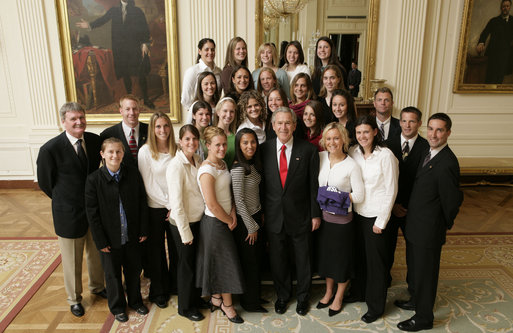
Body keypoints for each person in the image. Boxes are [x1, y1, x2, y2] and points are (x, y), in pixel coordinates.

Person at [37, 102, 106, 317]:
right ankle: (74, 298)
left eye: (82, 117)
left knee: (96, 253)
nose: (79, 122)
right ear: (63, 122)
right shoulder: (50, 149)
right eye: (74, 119)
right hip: (68, 213)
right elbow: (46, 183)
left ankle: (97, 286)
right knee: (72, 260)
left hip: (93, 210)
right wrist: (65, 201)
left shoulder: (95, 142)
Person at [396, 113, 463, 332]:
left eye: (439, 130)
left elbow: (452, 201)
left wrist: (440, 225)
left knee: (426, 274)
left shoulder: (447, 163)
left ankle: (424, 318)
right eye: (431, 129)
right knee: (416, 269)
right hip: (416, 224)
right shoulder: (428, 151)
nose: (433, 134)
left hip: (429, 229)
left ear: (448, 133)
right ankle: (416, 301)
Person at [261, 107, 321, 316]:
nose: (284, 127)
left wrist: (315, 214)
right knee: (278, 259)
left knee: (303, 259)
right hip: (274, 216)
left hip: (302, 215)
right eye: (280, 123)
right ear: (273, 126)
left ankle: (303, 297)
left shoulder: (308, 151)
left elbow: (314, 185)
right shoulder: (264, 149)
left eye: (288, 123)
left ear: (295, 126)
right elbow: (262, 186)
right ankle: (283, 295)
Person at [85, 137, 149, 323]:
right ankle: (118, 307)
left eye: (118, 151)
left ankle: (136, 301)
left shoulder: (133, 174)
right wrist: (101, 241)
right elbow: (92, 215)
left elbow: (142, 203)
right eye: (110, 152)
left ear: (123, 153)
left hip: (131, 236)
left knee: (133, 271)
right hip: (109, 240)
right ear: (102, 154)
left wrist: (143, 229)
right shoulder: (93, 180)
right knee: (112, 275)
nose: (115, 155)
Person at [349, 115, 398, 324]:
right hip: (357, 214)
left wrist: (382, 221)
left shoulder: (385, 155)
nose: (362, 136)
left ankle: (376, 306)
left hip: (376, 217)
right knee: (359, 259)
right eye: (359, 132)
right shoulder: (353, 152)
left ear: (375, 132)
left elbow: (391, 190)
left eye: (366, 132)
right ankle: (359, 292)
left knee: (376, 265)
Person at [196, 126, 245, 324]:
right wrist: (229, 220)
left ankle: (216, 298)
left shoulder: (223, 164)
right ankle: (228, 305)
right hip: (215, 224)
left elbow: (227, 195)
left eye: (224, 144)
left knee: (220, 262)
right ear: (207, 146)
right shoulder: (206, 170)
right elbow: (212, 204)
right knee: (226, 264)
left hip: (226, 219)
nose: (222, 148)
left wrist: (233, 211)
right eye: (217, 145)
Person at [316, 122, 364, 316]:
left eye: (336, 138)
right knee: (328, 260)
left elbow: (359, 195)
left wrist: (335, 197)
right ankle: (328, 292)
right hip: (323, 221)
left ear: (343, 139)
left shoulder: (351, 165)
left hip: (342, 223)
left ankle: (339, 296)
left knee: (341, 261)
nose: (332, 142)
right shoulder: (319, 158)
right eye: (328, 138)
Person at [75, 0, 154, 108]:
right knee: (125, 73)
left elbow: (144, 27)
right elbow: (102, 20)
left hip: (135, 47)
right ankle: (129, 100)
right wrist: (89, 24)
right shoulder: (114, 10)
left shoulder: (137, 11)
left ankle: (146, 99)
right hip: (120, 49)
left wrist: (145, 43)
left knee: (140, 73)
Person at [385, 107, 429, 291]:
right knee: (387, 248)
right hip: (390, 206)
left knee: (414, 251)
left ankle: (414, 288)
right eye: (404, 121)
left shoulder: (427, 147)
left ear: (419, 123)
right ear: (399, 122)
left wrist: (409, 206)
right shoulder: (387, 144)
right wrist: (393, 204)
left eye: (412, 121)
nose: (407, 125)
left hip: (413, 209)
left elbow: (425, 183)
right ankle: (384, 280)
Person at [137, 112, 177, 309]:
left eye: (166, 126)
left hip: (176, 207)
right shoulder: (145, 151)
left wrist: (175, 205)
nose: (163, 130)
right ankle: (159, 291)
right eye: (158, 127)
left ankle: (176, 284)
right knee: (157, 251)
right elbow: (149, 184)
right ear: (152, 129)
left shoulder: (176, 150)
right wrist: (169, 204)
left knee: (177, 248)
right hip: (155, 207)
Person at [166, 125, 206, 321]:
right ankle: (185, 307)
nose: (191, 143)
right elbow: (177, 204)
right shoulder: (175, 166)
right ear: (180, 142)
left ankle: (196, 299)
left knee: (196, 264)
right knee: (186, 266)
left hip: (198, 220)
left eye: (194, 139)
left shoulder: (198, 160)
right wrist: (185, 232)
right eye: (187, 139)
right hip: (183, 224)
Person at [230, 128, 267, 313]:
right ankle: (249, 303)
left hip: (255, 217)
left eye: (252, 142)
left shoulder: (252, 164)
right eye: (245, 143)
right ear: (239, 145)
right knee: (249, 264)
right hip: (246, 224)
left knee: (256, 262)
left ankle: (254, 297)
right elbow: (239, 201)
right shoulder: (238, 168)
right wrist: (252, 226)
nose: (250, 146)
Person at [100, 94, 148, 168]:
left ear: (139, 110)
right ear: (121, 111)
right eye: (127, 109)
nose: (132, 113)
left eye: (135, 109)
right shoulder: (107, 134)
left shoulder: (151, 130)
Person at [476, 0, 513, 84]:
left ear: (510, 7)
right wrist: (481, 43)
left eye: (507, 6)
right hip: (493, 53)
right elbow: (485, 33)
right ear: (501, 7)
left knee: (500, 78)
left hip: (506, 54)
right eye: (503, 6)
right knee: (490, 78)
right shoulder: (493, 21)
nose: (505, 8)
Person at [181, 38, 222, 111]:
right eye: (206, 50)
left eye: (212, 49)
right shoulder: (192, 71)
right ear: (200, 51)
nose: (210, 52)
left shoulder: (219, 72)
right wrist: (197, 113)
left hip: (216, 112)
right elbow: (185, 99)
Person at [213, 97, 238, 169]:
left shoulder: (235, 137)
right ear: (218, 112)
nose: (228, 115)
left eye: (232, 111)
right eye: (225, 111)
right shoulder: (211, 134)